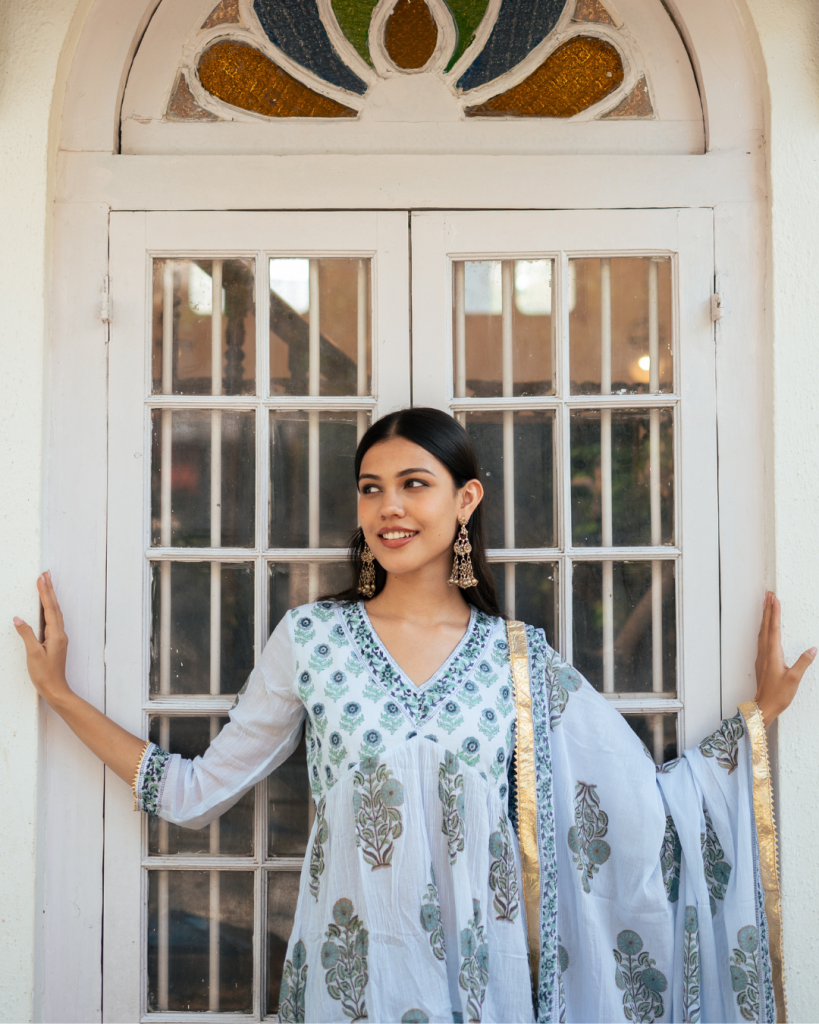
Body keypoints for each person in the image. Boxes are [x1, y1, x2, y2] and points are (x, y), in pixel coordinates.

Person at [14, 407, 814, 1024]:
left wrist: (756, 719)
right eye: (371, 488)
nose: (388, 507)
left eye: (413, 484)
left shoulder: (517, 658)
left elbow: (639, 805)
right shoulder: (312, 640)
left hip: (483, 987)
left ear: (464, 500)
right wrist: (57, 696)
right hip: (346, 985)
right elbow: (193, 794)